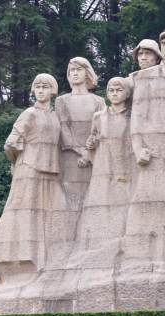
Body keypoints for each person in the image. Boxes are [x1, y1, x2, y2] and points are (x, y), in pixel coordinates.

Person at [0, 74, 69, 285]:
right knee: (17, 214)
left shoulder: (54, 116)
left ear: (53, 90)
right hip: (29, 169)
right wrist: (19, 163)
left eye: (45, 86)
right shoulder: (29, 113)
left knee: (45, 217)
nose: (41, 90)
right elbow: (11, 144)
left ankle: (39, 263)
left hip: (50, 171)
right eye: (37, 87)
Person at [125, 29, 165, 264]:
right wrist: (137, 147)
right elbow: (138, 115)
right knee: (148, 201)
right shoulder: (146, 77)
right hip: (153, 149)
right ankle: (141, 256)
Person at [69, 77, 134, 266]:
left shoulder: (131, 115)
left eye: (118, 90)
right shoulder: (99, 116)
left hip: (123, 164)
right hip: (102, 165)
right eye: (111, 90)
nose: (114, 93)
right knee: (98, 202)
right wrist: (89, 148)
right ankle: (95, 245)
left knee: (121, 202)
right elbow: (93, 139)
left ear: (126, 93)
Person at [55, 57, 106, 214]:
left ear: (87, 72)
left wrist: (89, 152)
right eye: (72, 70)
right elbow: (63, 128)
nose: (75, 73)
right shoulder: (61, 100)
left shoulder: (99, 101)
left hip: (94, 156)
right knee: (71, 197)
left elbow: (102, 129)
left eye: (79, 70)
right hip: (70, 157)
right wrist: (81, 151)